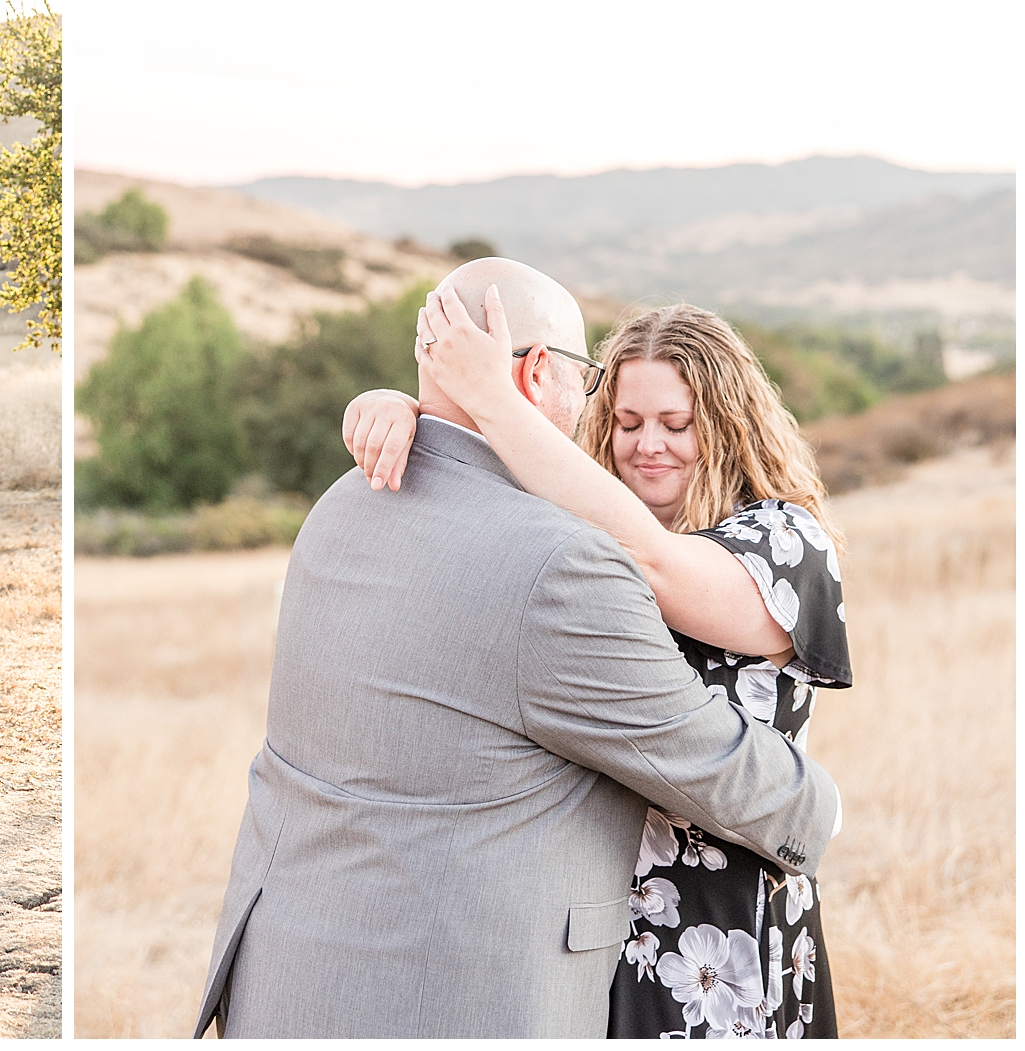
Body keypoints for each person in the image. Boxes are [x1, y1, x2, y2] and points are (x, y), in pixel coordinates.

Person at [194, 258, 839, 1039]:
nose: (645, 444)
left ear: (729, 419)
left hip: (712, 922)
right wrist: (412, 412)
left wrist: (475, 406)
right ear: (543, 371)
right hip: (565, 942)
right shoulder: (565, 537)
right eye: (622, 414)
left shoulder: (343, 506)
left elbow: (658, 567)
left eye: (677, 423)